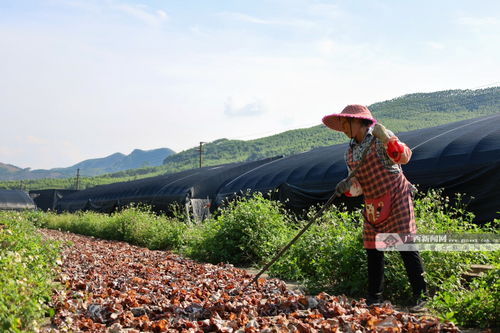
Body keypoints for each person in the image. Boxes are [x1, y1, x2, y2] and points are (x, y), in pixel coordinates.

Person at [322, 104, 427, 312]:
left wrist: (388, 139)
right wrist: (347, 187)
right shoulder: (350, 153)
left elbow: (404, 157)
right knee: (374, 249)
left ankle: (421, 296)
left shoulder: (380, 137)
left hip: (396, 197)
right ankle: (374, 298)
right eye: (341, 124)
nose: (343, 128)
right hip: (372, 203)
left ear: (359, 122)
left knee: (405, 246)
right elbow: (358, 188)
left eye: (346, 123)